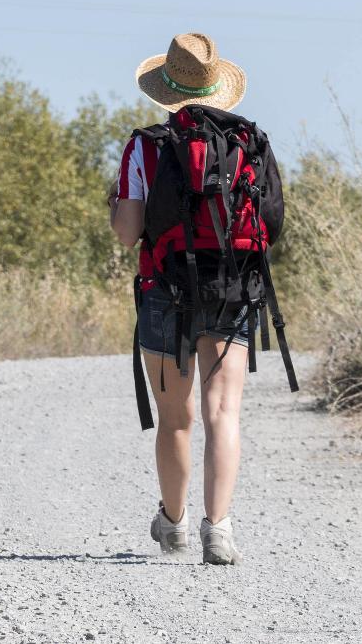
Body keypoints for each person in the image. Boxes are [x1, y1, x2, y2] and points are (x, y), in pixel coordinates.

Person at [110, 32, 292, 565]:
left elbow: (128, 231)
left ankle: (174, 523)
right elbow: (272, 223)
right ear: (220, 87)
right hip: (233, 286)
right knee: (223, 413)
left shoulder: (145, 146)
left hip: (164, 287)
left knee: (176, 417)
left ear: (165, 91)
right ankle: (220, 530)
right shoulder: (249, 143)